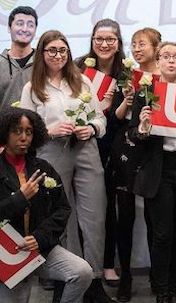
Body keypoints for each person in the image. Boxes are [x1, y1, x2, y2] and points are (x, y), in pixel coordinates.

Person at [19, 30, 114, 303]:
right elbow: (25, 130)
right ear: (42, 53)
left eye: (63, 50)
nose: (58, 55)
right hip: (51, 153)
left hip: (85, 150)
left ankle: (94, 279)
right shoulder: (31, 88)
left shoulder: (82, 81)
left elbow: (100, 119)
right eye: (52, 50)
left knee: (95, 215)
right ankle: (70, 278)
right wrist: (49, 130)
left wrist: (91, 128)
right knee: (62, 217)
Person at [129, 41, 176, 303]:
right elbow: (133, 135)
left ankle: (173, 288)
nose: (171, 61)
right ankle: (161, 291)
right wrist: (142, 127)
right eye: (166, 56)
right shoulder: (146, 93)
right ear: (158, 61)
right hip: (157, 171)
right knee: (161, 234)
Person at [0, 107, 93, 303]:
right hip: (6, 255)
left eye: (29, 131)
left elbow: (63, 208)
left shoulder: (43, 167)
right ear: (5, 133)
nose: (24, 137)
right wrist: (20, 198)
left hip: (40, 247)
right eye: (17, 131)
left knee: (82, 272)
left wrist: (39, 237)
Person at [108, 27, 161, 300]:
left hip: (153, 150)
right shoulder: (126, 77)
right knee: (124, 217)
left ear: (156, 47)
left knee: (154, 216)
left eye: (143, 44)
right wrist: (126, 101)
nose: (137, 49)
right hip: (125, 149)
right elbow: (115, 117)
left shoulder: (165, 77)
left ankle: (157, 273)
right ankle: (126, 274)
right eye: (134, 44)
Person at [75, 18, 126, 291]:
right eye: (99, 39)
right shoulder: (77, 67)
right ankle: (75, 264)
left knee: (106, 209)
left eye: (110, 39)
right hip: (80, 145)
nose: (104, 44)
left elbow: (124, 119)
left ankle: (106, 263)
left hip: (112, 148)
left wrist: (109, 107)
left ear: (118, 43)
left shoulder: (126, 73)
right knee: (75, 208)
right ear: (92, 41)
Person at [0, 6, 38, 109]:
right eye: (19, 24)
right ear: (9, 28)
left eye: (30, 25)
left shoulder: (43, 62)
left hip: (38, 124)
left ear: (35, 30)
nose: (25, 29)